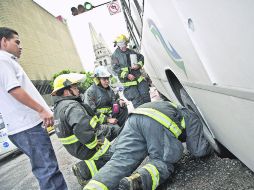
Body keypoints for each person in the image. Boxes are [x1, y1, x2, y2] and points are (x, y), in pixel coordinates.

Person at [84, 101, 212, 190]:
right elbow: (199, 150)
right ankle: (138, 181)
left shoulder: (170, 104)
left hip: (135, 118)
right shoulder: (192, 116)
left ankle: (93, 187)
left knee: (121, 159)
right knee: (163, 161)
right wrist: (211, 146)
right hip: (156, 120)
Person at [0, 27, 67, 190]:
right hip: (27, 127)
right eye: (17, 42)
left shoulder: (7, 61)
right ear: (3, 41)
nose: (20, 46)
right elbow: (14, 89)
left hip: (26, 127)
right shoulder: (3, 60)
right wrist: (41, 110)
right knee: (49, 172)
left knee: (48, 170)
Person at [51, 73, 116, 186]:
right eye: (75, 88)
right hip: (87, 147)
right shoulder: (71, 106)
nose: (78, 90)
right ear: (66, 91)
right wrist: (96, 145)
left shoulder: (58, 107)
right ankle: (90, 173)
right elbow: (82, 128)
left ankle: (83, 169)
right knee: (119, 157)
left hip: (77, 147)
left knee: (113, 130)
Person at [111, 34, 151, 108]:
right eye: (122, 45)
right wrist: (127, 75)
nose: (124, 47)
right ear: (118, 45)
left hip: (140, 82)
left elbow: (141, 57)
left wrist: (138, 65)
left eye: (125, 44)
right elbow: (115, 69)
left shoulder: (131, 51)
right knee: (139, 105)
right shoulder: (115, 56)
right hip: (130, 86)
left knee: (146, 99)